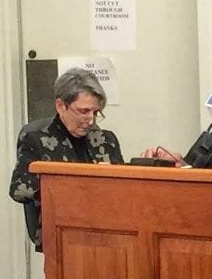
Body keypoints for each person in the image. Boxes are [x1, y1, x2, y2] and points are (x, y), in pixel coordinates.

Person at [9, 67, 125, 251]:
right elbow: (19, 190)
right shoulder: (36, 139)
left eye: (95, 113)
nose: (90, 120)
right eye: (83, 111)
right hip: (61, 238)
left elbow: (124, 192)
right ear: (61, 106)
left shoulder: (106, 140)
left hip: (108, 236)